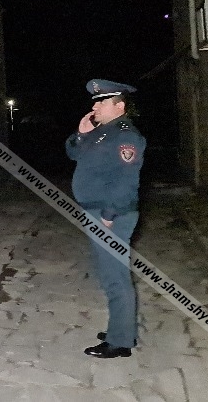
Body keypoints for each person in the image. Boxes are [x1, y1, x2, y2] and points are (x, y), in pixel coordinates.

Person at [66, 79, 146, 359]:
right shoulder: (102, 132)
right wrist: (81, 134)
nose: (95, 107)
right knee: (108, 272)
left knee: (115, 277)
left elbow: (126, 182)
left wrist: (110, 215)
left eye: (102, 102)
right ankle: (120, 328)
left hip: (110, 214)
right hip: (96, 211)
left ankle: (120, 342)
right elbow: (73, 153)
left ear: (119, 106)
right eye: (96, 102)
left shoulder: (126, 136)